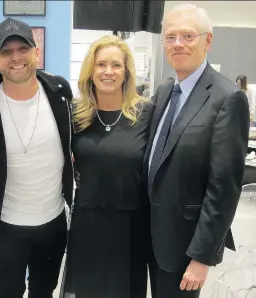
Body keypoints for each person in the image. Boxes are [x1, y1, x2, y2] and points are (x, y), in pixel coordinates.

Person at [0, 18, 74, 298]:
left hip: (53, 222)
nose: (16, 58)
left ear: (36, 52)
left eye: (22, 48)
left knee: (43, 291)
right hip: (6, 225)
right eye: (7, 52)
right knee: (9, 291)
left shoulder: (59, 93)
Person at [144, 4, 249, 298]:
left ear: (208, 41)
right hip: (150, 237)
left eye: (188, 36)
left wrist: (203, 256)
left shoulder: (228, 98)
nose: (178, 44)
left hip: (185, 245)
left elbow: (224, 188)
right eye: (170, 37)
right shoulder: (165, 91)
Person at [60, 35, 153, 298]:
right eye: (101, 65)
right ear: (91, 71)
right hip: (88, 224)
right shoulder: (75, 115)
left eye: (116, 65)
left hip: (131, 226)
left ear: (127, 72)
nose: (108, 72)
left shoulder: (147, 114)